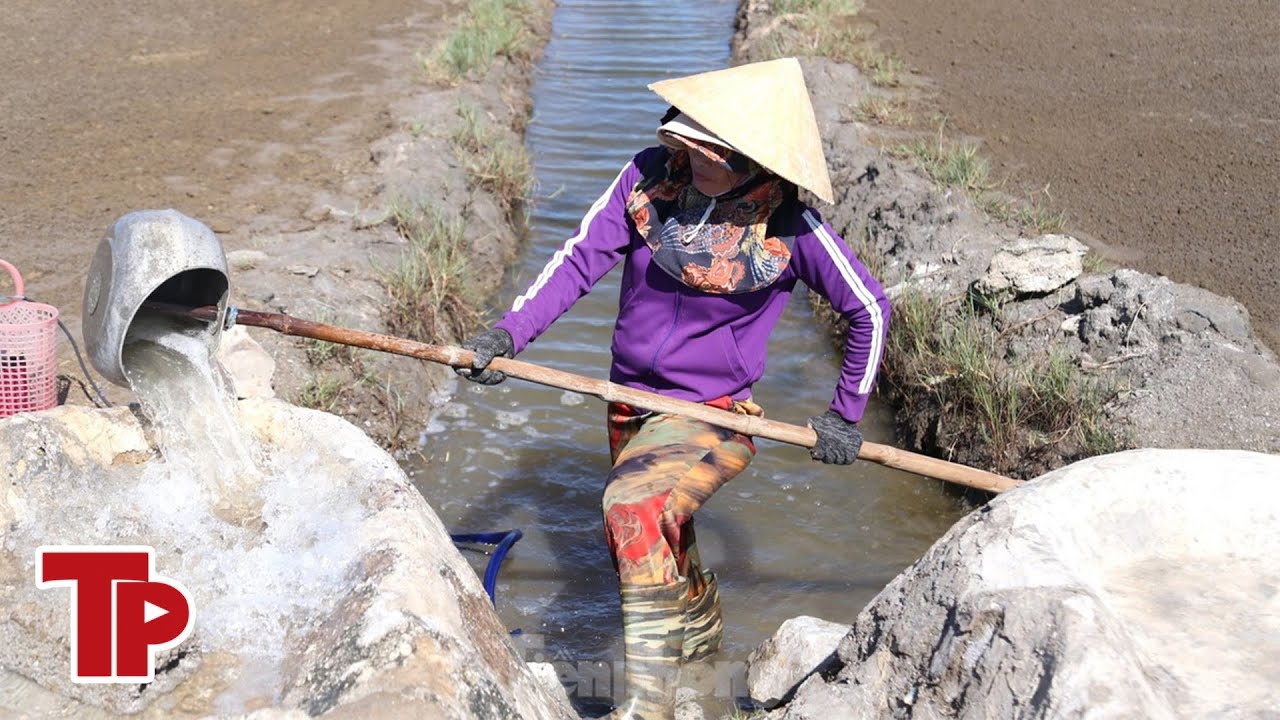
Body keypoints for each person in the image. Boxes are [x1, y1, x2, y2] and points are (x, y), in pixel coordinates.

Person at [457, 58, 890, 720]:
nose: (688, 158)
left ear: (752, 161)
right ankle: (702, 654)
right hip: (630, 403)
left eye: (707, 152)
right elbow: (577, 261)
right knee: (653, 535)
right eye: (684, 144)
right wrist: (508, 335)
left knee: (631, 512)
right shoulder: (645, 182)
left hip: (716, 415)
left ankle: (649, 706)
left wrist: (844, 414)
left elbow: (869, 310)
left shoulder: (790, 229)